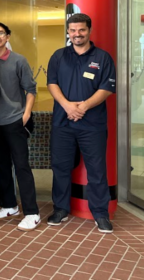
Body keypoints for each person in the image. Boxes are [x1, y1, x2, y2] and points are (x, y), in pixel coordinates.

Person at [46, 13, 116, 233]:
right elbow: (52, 84)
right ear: (68, 32)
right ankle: (60, 209)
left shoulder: (103, 58)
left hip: (92, 125)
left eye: (81, 30)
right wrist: (68, 106)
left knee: (96, 169)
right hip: (62, 123)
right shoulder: (58, 56)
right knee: (61, 168)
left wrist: (82, 107)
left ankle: (101, 214)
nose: (77, 34)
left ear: (89, 31)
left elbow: (106, 89)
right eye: (73, 30)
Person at [0, 22, 40, 231]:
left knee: (22, 166)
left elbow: (31, 89)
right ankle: (9, 205)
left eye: (0, 33)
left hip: (15, 120)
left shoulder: (19, 60)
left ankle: (32, 212)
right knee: (2, 166)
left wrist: (25, 114)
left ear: (7, 36)